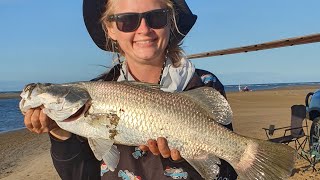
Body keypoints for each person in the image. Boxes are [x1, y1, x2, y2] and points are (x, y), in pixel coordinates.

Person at [23, 0, 238, 179]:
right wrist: (60, 134)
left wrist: (186, 155)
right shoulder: (97, 89)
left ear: (170, 21)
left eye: (156, 17)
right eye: (127, 20)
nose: (144, 29)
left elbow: (226, 174)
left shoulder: (203, 84)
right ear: (110, 28)